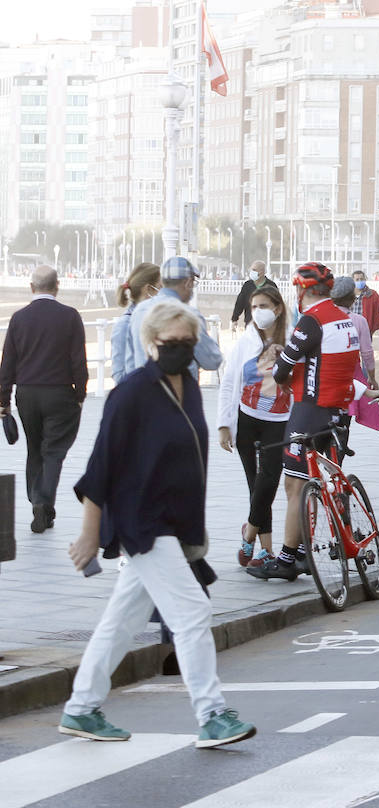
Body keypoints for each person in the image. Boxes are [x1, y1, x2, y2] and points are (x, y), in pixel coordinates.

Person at [63, 299, 256, 748]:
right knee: (192, 611)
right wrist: (90, 533)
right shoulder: (130, 393)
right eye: (172, 341)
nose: (182, 348)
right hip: (142, 521)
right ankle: (212, 715)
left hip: (174, 521)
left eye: (189, 341)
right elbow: (100, 466)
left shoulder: (187, 385)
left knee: (122, 621)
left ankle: (80, 708)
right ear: (151, 343)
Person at [249, 263, 365, 581]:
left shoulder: (312, 320)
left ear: (302, 290)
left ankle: (287, 559)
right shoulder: (346, 320)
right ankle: (302, 550)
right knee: (322, 479)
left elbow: (282, 369)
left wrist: (282, 368)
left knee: (296, 485)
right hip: (340, 410)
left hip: (311, 411)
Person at [0, 265, 88, 533]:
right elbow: (78, 360)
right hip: (60, 393)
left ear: (31, 287)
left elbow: (8, 363)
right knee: (54, 451)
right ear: (57, 286)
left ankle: (39, 503)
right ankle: (43, 500)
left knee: (35, 448)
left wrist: (4, 400)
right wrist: (80, 393)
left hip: (27, 393)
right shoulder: (70, 317)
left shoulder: (19, 318)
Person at [217, 285, 291, 568]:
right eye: (254, 307)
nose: (258, 312)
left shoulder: (292, 337)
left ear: (278, 308)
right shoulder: (245, 341)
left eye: (264, 306)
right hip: (247, 418)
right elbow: (228, 383)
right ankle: (265, 550)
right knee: (255, 482)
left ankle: (249, 531)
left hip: (279, 420)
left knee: (269, 480)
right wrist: (224, 424)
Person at [130, 257, 223, 376]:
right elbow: (212, 361)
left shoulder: (139, 310)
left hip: (144, 386)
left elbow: (130, 359)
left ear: (163, 282)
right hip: (179, 388)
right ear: (188, 283)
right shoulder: (188, 314)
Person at [110, 264, 162, 383]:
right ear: (148, 289)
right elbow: (119, 373)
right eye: (161, 287)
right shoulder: (124, 324)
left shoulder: (158, 319)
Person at [230, 261, 277, 330]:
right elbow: (240, 303)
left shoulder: (271, 286)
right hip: (250, 323)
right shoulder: (247, 285)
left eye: (254, 270)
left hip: (267, 325)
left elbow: (277, 305)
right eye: (251, 270)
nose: (252, 272)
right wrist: (234, 319)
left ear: (262, 272)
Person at [349, 269, 379, 336]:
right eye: (357, 279)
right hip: (350, 331)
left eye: (361, 279)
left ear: (365, 280)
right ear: (353, 281)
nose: (360, 281)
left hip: (366, 332)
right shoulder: (348, 295)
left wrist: (372, 330)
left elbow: (378, 314)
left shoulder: (373, 295)